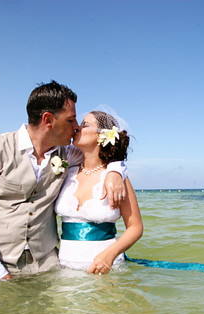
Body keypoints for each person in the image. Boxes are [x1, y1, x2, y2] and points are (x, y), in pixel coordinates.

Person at [0, 81, 127, 281]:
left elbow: (100, 155)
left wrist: (115, 170)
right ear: (48, 119)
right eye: (71, 120)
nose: (76, 126)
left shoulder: (68, 154)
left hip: (49, 266)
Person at [55, 111, 143, 275]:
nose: (76, 128)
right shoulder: (67, 172)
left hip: (105, 269)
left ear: (102, 135)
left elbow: (135, 227)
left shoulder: (117, 178)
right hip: (65, 269)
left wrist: (109, 255)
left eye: (85, 125)